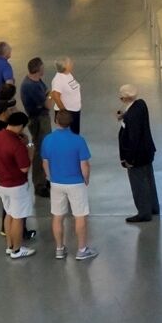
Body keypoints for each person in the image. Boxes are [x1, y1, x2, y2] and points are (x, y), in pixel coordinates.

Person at [40, 109, 96, 261]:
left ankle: (59, 248)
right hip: (76, 183)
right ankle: (82, 249)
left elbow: (45, 162)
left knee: (57, 216)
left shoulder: (48, 140)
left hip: (57, 183)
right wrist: (86, 179)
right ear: (70, 122)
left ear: (56, 121)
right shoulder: (78, 140)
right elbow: (84, 165)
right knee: (80, 216)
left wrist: (49, 177)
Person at [0, 111, 37, 260]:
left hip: (0, 182)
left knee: (9, 213)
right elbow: (24, 168)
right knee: (18, 217)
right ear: (21, 126)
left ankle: (9, 246)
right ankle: (17, 250)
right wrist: (30, 150)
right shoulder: (17, 145)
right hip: (16, 185)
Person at [117, 85, 159, 223]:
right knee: (149, 179)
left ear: (124, 98)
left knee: (138, 184)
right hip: (147, 151)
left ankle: (144, 212)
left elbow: (133, 138)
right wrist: (124, 116)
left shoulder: (131, 117)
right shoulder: (141, 105)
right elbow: (133, 116)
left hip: (137, 156)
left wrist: (129, 159)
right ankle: (153, 207)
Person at [20, 57, 51, 197]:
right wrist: (52, 96)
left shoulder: (36, 80)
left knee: (44, 148)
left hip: (41, 118)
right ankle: (39, 183)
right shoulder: (30, 86)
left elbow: (45, 93)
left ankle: (43, 178)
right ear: (38, 70)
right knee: (40, 150)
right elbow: (48, 104)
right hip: (38, 120)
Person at [48, 56, 83, 133]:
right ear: (65, 66)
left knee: (75, 133)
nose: (72, 63)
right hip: (68, 113)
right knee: (70, 134)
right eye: (70, 62)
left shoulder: (67, 74)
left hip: (74, 111)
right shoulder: (58, 79)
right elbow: (55, 95)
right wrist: (64, 112)